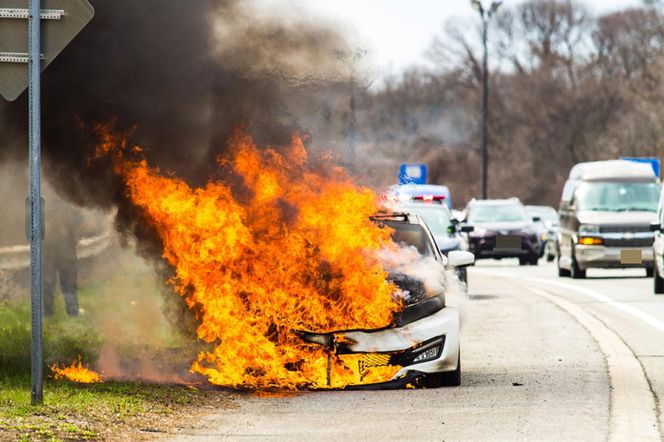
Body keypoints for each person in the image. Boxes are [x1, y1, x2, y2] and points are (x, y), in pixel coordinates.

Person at [42, 189, 82, 317]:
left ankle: (49, 314)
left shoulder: (45, 203)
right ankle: (72, 313)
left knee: (49, 283)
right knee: (67, 284)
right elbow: (79, 220)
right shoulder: (68, 203)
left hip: (52, 251)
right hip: (63, 251)